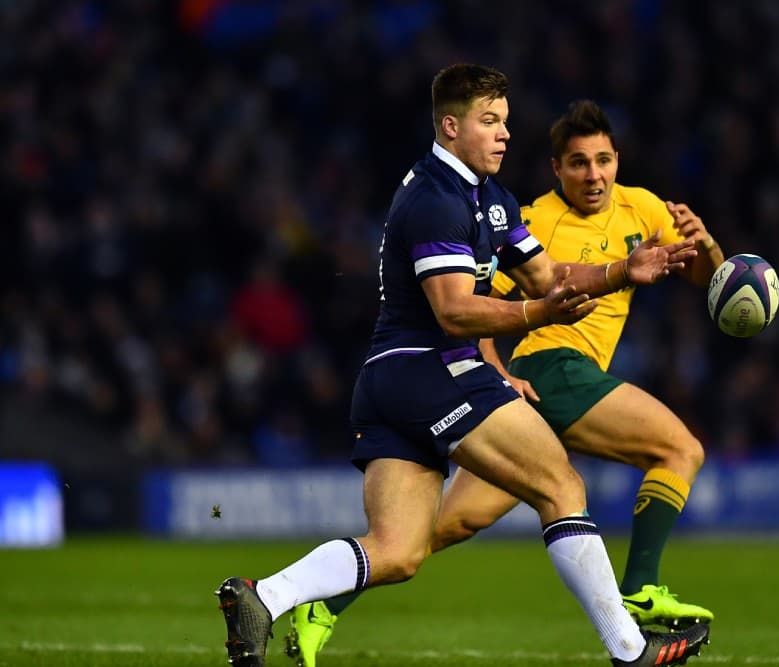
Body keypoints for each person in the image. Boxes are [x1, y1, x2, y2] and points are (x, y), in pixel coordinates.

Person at [215, 66, 709, 667]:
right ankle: (631, 651)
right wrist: (535, 314)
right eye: (489, 121)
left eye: (505, 121)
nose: (504, 135)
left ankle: (263, 597)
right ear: (451, 127)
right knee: (562, 486)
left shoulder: (491, 199)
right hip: (434, 370)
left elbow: (548, 275)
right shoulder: (433, 199)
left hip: (392, 381)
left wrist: (618, 272)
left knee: (400, 551)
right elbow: (454, 313)